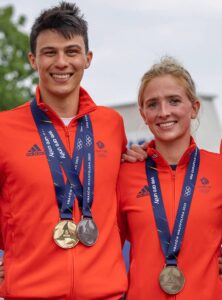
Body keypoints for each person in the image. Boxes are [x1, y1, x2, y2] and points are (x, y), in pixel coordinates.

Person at [0, 2, 131, 299]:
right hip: (29, 293)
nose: (61, 62)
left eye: (71, 51)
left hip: (104, 293)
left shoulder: (112, 125)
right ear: (33, 60)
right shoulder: (4, 129)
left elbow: (131, 204)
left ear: (87, 58)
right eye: (50, 52)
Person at [117, 56, 222, 300]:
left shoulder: (218, 169)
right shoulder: (124, 174)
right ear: (143, 114)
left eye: (174, 101)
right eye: (152, 104)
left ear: (194, 108)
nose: (164, 112)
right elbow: (100, 249)